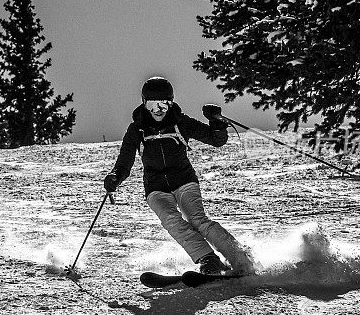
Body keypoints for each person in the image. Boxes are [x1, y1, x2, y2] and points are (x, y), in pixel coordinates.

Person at [103, 76, 256, 275]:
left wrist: (216, 123)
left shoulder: (180, 122)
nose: (159, 109)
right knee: (171, 220)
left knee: (198, 220)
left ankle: (240, 259)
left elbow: (215, 140)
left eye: (165, 104)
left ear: (171, 103)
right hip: (156, 187)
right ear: (144, 104)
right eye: (153, 104)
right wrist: (115, 176)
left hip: (184, 181)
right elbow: (125, 160)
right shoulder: (137, 129)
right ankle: (208, 259)